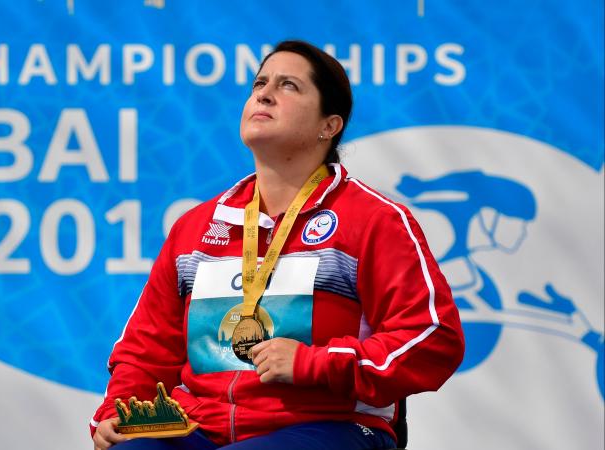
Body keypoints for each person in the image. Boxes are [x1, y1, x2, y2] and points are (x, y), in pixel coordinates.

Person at [90, 40, 465, 450]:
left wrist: (314, 362)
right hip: (200, 428)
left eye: (289, 86)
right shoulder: (195, 229)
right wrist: (118, 411)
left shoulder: (374, 221)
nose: (264, 93)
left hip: (329, 426)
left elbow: (433, 337)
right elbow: (146, 349)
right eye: (259, 83)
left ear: (330, 125)